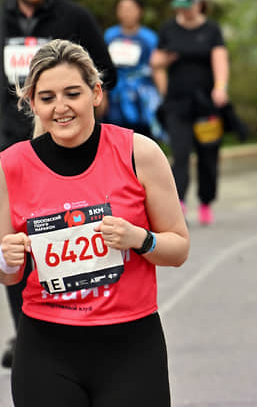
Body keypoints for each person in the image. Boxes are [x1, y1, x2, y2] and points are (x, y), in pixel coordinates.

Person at [0, 39, 189, 406]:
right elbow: (7, 274)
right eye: (47, 97)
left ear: (96, 93)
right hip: (47, 350)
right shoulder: (10, 166)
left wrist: (140, 238)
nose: (61, 108)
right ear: (32, 103)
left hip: (131, 347)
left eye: (72, 93)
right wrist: (8, 258)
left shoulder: (139, 152)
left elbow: (178, 249)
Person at [2, 0, 118, 369]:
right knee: (16, 246)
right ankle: (27, 329)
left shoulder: (75, 18)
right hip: (9, 154)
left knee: (65, 237)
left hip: (64, 150)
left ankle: (84, 318)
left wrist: (75, 116)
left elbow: (106, 76)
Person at [151, 0, 229, 226]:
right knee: (180, 154)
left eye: (188, 6)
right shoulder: (169, 30)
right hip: (178, 104)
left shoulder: (211, 30)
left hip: (206, 105)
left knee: (208, 155)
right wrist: (164, 90)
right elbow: (156, 63)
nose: (183, 11)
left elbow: (220, 59)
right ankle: (179, 202)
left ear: (199, 4)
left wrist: (220, 87)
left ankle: (206, 201)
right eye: (180, 6)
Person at [103, 0, 162, 139]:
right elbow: (102, 66)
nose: (126, 12)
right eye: (122, 8)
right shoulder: (110, 35)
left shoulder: (149, 38)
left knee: (142, 137)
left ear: (139, 11)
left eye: (130, 8)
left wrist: (162, 96)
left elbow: (157, 67)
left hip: (142, 96)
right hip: (116, 95)